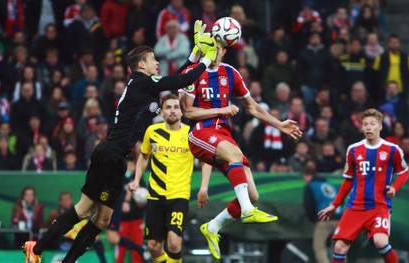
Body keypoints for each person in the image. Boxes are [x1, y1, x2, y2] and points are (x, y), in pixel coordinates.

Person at [23, 20, 218, 263]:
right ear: (141, 65)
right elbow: (178, 82)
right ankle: (37, 248)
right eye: (153, 59)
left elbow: (177, 77)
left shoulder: (146, 85)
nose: (158, 62)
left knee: (102, 220)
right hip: (108, 152)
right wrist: (207, 61)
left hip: (118, 159)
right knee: (84, 209)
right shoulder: (140, 82)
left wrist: (195, 53)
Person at [179, 28, 302, 260]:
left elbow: (252, 107)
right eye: (210, 46)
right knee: (236, 163)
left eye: (218, 47)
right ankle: (246, 211)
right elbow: (187, 111)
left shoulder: (231, 73)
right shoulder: (193, 72)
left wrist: (279, 125)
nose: (214, 51)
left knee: (252, 194)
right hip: (201, 133)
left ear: (224, 50)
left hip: (223, 134)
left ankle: (213, 226)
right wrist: (222, 109)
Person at [318, 108, 409, 263]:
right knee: (339, 247)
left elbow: (404, 172)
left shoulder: (393, 150)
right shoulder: (353, 150)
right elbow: (348, 180)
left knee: (380, 241)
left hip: (379, 206)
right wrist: (334, 205)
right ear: (361, 127)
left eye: (372, 124)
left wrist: (395, 187)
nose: (368, 127)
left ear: (380, 126)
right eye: (365, 124)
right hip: (355, 207)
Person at [129, 94, 212, 263]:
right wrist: (137, 179)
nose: (172, 111)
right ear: (162, 112)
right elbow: (144, 156)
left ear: (182, 112)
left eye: (176, 107)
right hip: (155, 195)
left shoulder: (191, 134)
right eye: (168, 107)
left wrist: (204, 187)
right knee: (153, 245)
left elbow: (205, 161)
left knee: (174, 243)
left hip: (179, 196)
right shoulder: (152, 131)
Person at [303, 166, 341, 263]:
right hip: (339, 220)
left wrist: (314, 220)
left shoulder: (311, 186)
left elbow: (308, 205)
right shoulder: (330, 185)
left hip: (324, 221)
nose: (304, 180)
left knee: (319, 248)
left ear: (307, 176)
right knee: (339, 249)